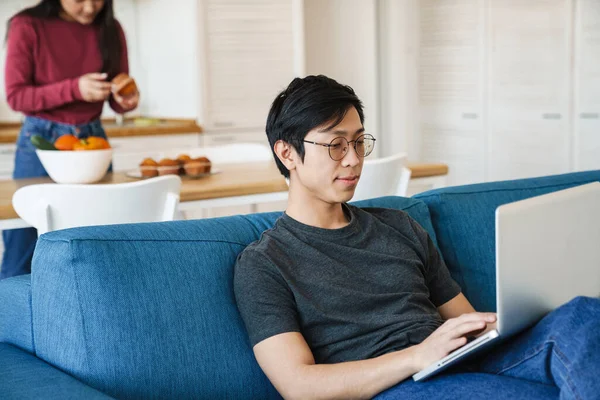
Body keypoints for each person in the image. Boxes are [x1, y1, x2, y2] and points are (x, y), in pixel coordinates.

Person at [233, 75, 600, 399]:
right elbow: (299, 386)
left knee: (583, 314)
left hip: (450, 364)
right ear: (287, 153)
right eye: (336, 145)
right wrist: (417, 355)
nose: (353, 160)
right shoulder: (265, 263)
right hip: (391, 385)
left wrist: (504, 322)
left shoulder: (398, 226)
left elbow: (466, 320)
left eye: (360, 142)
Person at [1, 0, 139, 279]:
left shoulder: (111, 28)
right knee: (23, 248)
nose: (90, 8)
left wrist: (126, 100)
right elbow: (16, 96)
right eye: (79, 0)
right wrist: (74, 89)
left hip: (93, 140)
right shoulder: (27, 26)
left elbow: (118, 94)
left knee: (98, 245)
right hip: (42, 141)